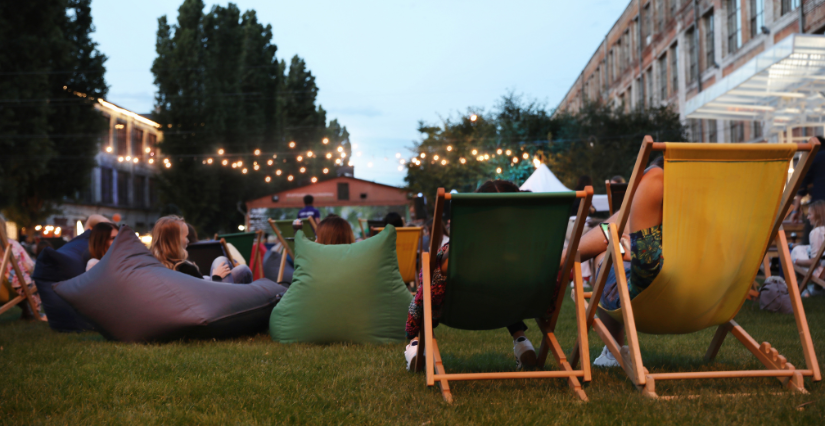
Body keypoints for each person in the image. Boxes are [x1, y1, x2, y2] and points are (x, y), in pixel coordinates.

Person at [405, 180, 537, 371]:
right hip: (511, 305)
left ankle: (416, 346)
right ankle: (521, 340)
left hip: (461, 310)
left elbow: (435, 283)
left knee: (428, 281)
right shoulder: (528, 248)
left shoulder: (462, 250)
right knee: (503, 288)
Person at [564, 155, 664, 367]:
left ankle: (612, 352)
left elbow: (646, 267)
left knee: (605, 255)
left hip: (656, 296)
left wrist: (627, 252)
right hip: (714, 296)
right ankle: (568, 256)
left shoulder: (655, 181)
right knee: (614, 236)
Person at [150, 215, 252, 284]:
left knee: (242, 269)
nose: (188, 241)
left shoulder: (156, 265)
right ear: (175, 241)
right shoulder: (184, 268)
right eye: (185, 237)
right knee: (223, 261)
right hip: (216, 300)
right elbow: (203, 295)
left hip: (208, 290)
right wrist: (216, 277)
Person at [0, 216, 44, 320]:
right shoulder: (13, 245)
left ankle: (26, 310)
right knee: (26, 280)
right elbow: (30, 266)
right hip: (14, 287)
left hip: (4, 289)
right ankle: (27, 309)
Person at [791, 200, 825, 297]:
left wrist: (796, 261)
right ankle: (816, 289)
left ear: (818, 215)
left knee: (794, 253)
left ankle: (803, 290)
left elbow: (814, 262)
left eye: (810, 214)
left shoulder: (816, 232)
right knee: (803, 249)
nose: (808, 217)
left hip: (821, 274)